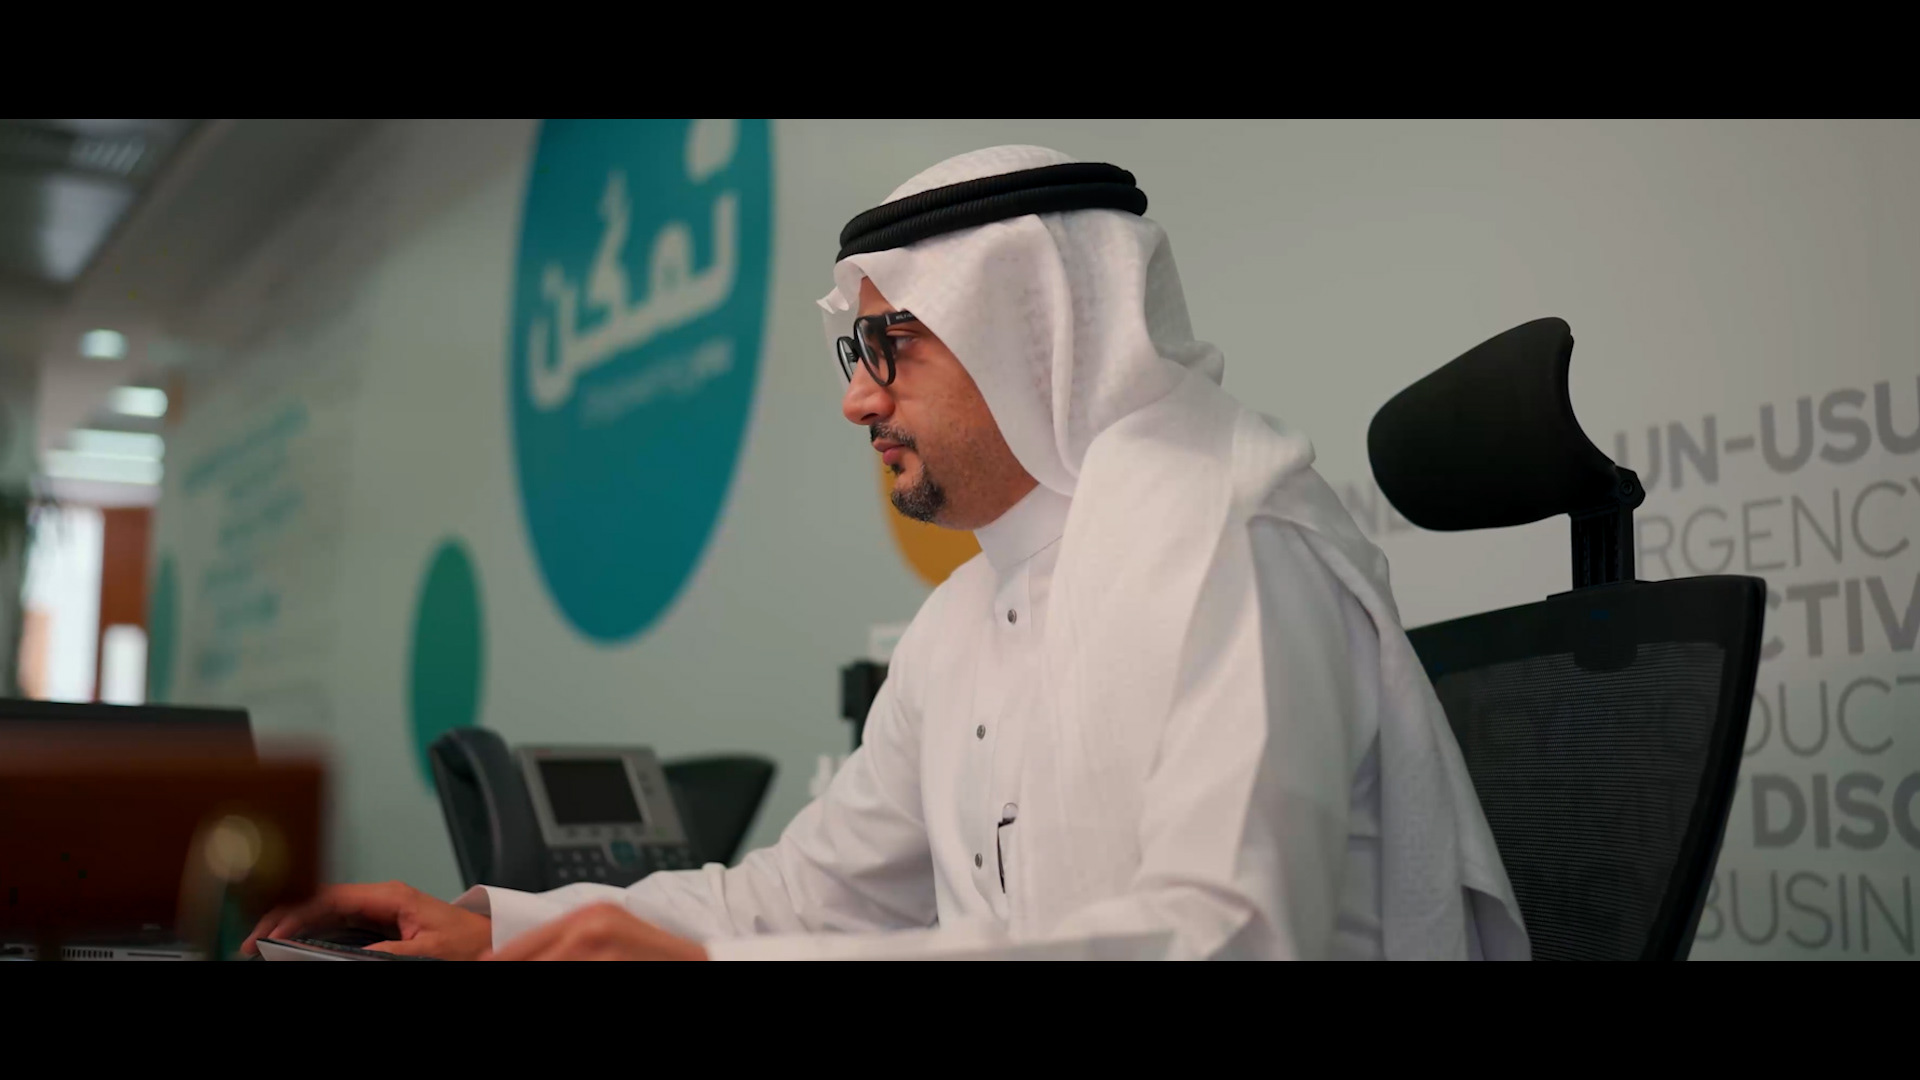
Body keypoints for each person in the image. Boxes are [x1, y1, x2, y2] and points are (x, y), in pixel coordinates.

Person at [244, 145, 1528, 961]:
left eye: (890, 348)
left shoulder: (1227, 541)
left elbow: (1226, 938)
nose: (858, 399)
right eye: (852, 355)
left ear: (1034, 327)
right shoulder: (964, 619)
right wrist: (492, 924)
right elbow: (804, 898)